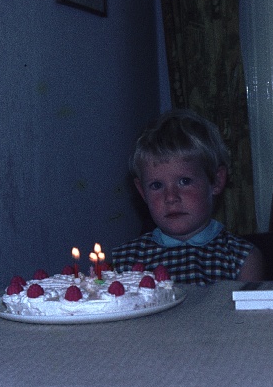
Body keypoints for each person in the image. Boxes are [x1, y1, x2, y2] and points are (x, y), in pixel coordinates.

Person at [112, 109, 264, 284]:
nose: (170, 197)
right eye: (156, 185)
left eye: (184, 181)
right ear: (142, 191)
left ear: (216, 180)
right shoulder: (126, 261)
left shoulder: (242, 258)